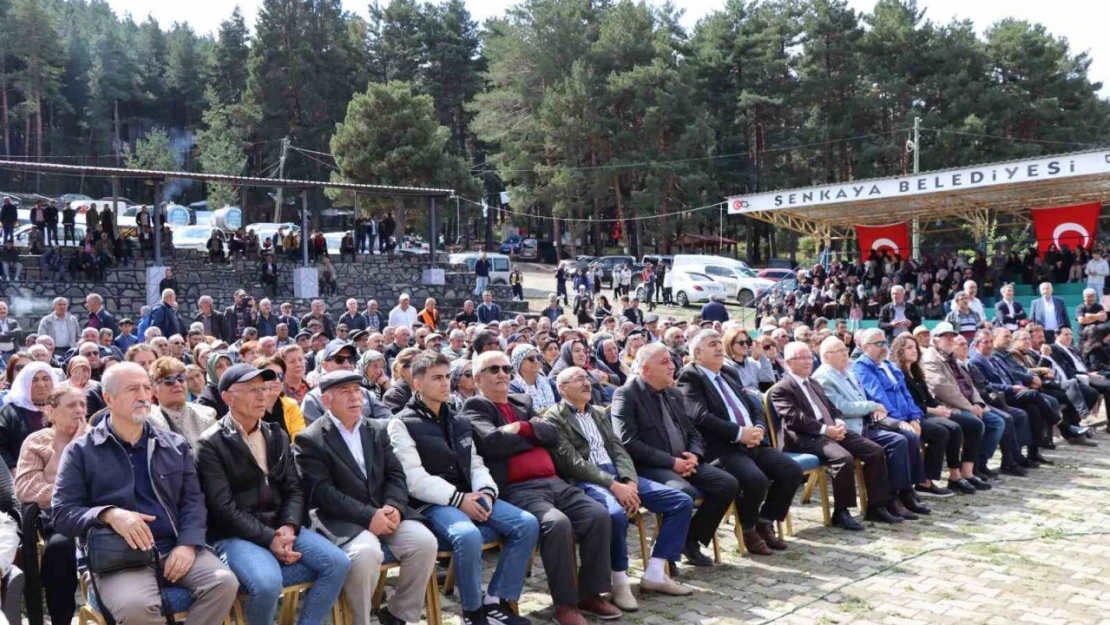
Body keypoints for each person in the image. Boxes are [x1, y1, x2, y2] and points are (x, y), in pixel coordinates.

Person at [51, 362, 241, 625]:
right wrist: (109, 514)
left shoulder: (174, 445)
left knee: (223, 583)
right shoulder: (81, 451)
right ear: (109, 398)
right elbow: (61, 513)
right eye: (132, 389)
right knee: (136, 608)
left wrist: (187, 544)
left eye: (146, 387)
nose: (143, 395)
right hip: (119, 557)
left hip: (174, 545)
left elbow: (193, 501)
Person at [462, 350, 621, 625]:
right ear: (477, 378)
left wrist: (519, 428)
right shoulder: (475, 407)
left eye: (505, 368)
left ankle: (589, 594)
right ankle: (565, 605)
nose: (502, 374)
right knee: (557, 524)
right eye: (493, 370)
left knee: (598, 515)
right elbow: (492, 443)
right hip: (519, 488)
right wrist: (532, 433)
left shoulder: (521, 401)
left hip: (555, 481)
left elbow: (552, 434)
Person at [388, 351, 538, 625]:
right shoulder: (401, 423)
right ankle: (472, 612)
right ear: (417, 383)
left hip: (469, 494)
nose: (445, 383)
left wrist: (487, 492)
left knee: (527, 523)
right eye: (436, 378)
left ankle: (496, 601)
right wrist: (459, 499)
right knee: (468, 535)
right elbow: (414, 479)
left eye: (447, 376)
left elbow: (475, 463)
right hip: (431, 503)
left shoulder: (458, 419)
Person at [195, 363, 350, 625]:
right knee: (267, 583)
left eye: (264, 389)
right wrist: (270, 538)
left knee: (338, 563)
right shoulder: (210, 443)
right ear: (227, 397)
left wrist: (289, 526)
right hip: (235, 534)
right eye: (251, 390)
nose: (262, 395)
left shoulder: (275, 433)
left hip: (280, 525)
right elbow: (222, 508)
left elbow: (293, 488)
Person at [293, 370, 438, 625]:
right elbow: (322, 493)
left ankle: (397, 614)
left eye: (357, 391)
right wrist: (369, 516)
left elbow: (396, 473)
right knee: (365, 553)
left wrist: (394, 506)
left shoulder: (376, 428)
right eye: (344, 392)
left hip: (384, 510)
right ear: (326, 401)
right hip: (341, 518)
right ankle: (360, 620)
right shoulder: (310, 439)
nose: (355, 398)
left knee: (424, 542)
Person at [548, 366, 693, 608]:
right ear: (562, 389)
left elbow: (618, 449)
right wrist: (614, 485)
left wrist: (629, 481)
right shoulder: (554, 417)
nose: (586, 383)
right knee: (614, 514)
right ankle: (619, 582)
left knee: (680, 501)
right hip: (589, 480)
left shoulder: (596, 412)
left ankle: (655, 573)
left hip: (618, 475)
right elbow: (572, 462)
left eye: (587, 378)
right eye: (578, 379)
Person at [676, 331, 806, 553]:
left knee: (791, 471)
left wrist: (758, 428)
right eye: (712, 344)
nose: (719, 348)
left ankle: (765, 521)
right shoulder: (690, 376)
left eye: (719, 343)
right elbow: (700, 416)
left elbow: (753, 404)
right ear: (697, 353)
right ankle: (747, 528)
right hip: (722, 448)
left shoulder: (728, 372)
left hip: (752, 441)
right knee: (756, 480)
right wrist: (738, 433)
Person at [611, 343, 738, 563]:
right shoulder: (626, 395)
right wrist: (672, 463)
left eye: (671, 360)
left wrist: (694, 455)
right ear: (646, 370)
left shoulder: (674, 393)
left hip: (685, 462)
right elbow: (629, 443)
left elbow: (692, 431)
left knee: (727, 484)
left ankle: (690, 540)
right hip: (650, 467)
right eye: (664, 362)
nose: (672, 366)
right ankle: (664, 557)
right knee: (683, 493)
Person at [768, 342, 897, 530]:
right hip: (804, 438)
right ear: (788, 363)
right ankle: (841, 512)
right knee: (843, 458)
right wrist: (825, 430)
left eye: (808, 357)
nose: (807, 361)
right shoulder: (782, 388)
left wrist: (838, 422)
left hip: (830, 431)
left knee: (874, 450)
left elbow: (831, 408)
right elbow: (796, 419)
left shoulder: (812, 382)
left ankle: (876, 506)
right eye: (801, 358)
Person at [816, 333, 930, 519]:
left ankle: (904, 493)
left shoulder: (846, 371)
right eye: (840, 351)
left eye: (845, 350)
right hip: (852, 428)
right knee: (897, 441)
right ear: (826, 356)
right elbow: (842, 408)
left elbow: (863, 398)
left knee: (906, 437)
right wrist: (872, 406)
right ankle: (890, 499)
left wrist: (876, 410)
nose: (846, 354)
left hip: (868, 421)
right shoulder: (823, 377)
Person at [15, 386, 87, 625]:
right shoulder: (37, 441)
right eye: (71, 405)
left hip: (98, 514)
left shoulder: (98, 436)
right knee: (59, 548)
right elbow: (27, 489)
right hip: (58, 519)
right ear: (50, 411)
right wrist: (71, 449)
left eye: (82, 405)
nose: (79, 411)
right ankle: (61, 619)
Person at [918, 323, 997, 491]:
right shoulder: (931, 358)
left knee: (999, 421)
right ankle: (960, 474)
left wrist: (977, 402)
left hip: (967, 403)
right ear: (935, 339)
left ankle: (973, 468)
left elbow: (969, 383)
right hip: (947, 405)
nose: (950, 339)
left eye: (952, 336)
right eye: (945, 336)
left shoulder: (952, 356)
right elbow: (942, 389)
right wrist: (969, 407)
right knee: (972, 424)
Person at [300, 342, 392, 423]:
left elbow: (388, 420)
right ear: (325, 365)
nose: (347, 364)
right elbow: (317, 437)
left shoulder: (366, 393)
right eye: (339, 360)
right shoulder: (314, 400)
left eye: (350, 359)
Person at [0, 362, 57, 469]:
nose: (41, 385)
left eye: (46, 379)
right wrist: (12, 468)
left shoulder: (62, 407)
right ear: (25, 383)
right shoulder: (9, 413)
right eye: (34, 380)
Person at [150, 357, 216, 446]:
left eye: (180, 378)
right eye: (169, 380)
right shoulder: (150, 423)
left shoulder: (206, 415)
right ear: (155, 390)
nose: (177, 384)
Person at [721, 327, 774, 391]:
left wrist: (762, 355)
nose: (745, 345)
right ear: (730, 344)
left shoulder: (752, 363)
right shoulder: (726, 367)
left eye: (747, 342)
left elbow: (768, 381)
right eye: (741, 343)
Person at [508, 344, 557, 414]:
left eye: (538, 357)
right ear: (519, 362)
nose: (536, 361)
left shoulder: (549, 382)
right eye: (531, 358)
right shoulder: (513, 388)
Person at [382, 348, 420, 413]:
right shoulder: (393, 396)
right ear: (403, 370)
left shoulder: (427, 388)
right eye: (417, 366)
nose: (423, 370)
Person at [197, 352, 234, 418]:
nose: (226, 368)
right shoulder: (206, 400)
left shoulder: (239, 389)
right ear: (212, 372)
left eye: (228, 364)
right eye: (219, 366)